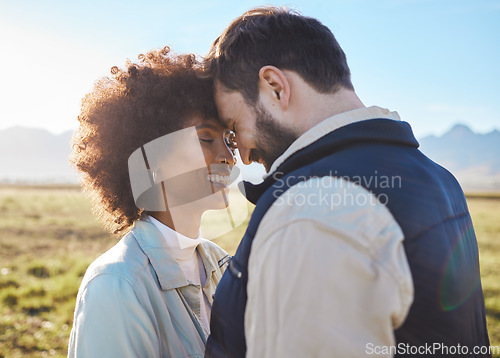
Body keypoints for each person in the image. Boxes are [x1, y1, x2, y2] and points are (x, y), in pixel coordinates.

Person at [203, 6, 490, 358]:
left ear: (275, 87)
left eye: (234, 128)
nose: (243, 156)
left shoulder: (310, 211)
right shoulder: (438, 179)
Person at [68, 47, 237, 357]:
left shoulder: (224, 265)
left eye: (230, 140)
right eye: (206, 138)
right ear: (153, 159)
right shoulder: (117, 284)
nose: (228, 156)